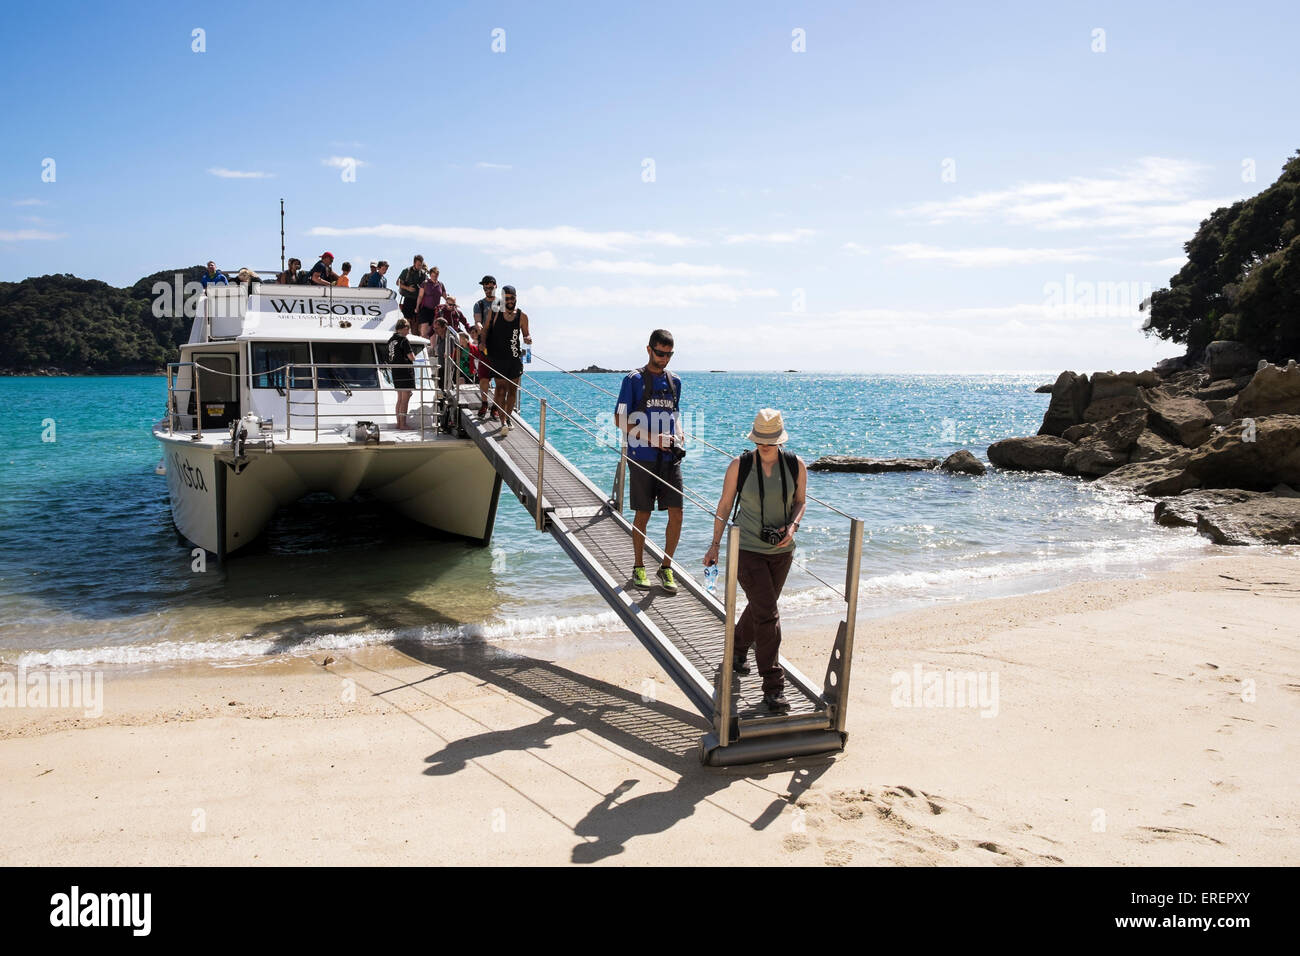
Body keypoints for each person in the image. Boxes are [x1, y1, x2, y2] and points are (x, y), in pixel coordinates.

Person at [703, 409, 808, 713]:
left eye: (770, 440)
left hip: (782, 553)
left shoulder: (795, 465)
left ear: (780, 439)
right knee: (768, 613)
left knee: (761, 608)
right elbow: (724, 504)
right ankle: (773, 686)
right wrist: (714, 545)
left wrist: (793, 526)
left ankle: (737, 649)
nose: (764, 445)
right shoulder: (740, 465)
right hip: (746, 549)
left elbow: (801, 500)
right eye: (760, 439)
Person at [615, 329, 683, 595]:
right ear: (649, 350)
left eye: (669, 354)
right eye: (659, 353)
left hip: (670, 458)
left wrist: (678, 432)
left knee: (677, 513)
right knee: (643, 514)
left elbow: (675, 412)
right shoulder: (632, 380)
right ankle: (639, 565)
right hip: (641, 458)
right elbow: (619, 420)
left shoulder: (675, 381)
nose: (664, 359)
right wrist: (654, 438)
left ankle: (666, 567)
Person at [481, 285, 531, 436]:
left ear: (516, 297)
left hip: (515, 358)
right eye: (506, 298)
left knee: (513, 391)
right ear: (502, 299)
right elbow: (485, 329)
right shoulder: (495, 311)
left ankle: (508, 418)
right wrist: (482, 342)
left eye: (512, 298)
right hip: (498, 357)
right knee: (501, 389)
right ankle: (502, 421)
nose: (509, 301)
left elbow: (526, 334)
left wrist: (528, 339)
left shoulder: (522, 316)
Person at [386, 318, 417, 430]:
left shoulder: (391, 340)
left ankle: (399, 423)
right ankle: (403, 424)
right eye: (408, 329)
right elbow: (411, 357)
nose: (408, 332)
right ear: (404, 328)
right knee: (405, 400)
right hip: (405, 372)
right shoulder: (403, 340)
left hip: (395, 372)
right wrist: (414, 356)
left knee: (399, 399)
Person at [415, 265, 453, 338]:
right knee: (424, 330)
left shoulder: (440, 285)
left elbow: (446, 297)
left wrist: (452, 304)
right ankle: (423, 347)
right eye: (433, 275)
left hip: (435, 310)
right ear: (430, 274)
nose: (435, 276)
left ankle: (432, 348)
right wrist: (417, 307)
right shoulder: (425, 283)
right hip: (425, 309)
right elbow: (420, 296)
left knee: (433, 331)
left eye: (436, 275)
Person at [397, 255, 427, 322]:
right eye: (418, 265)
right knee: (406, 321)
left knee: (416, 322)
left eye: (421, 265)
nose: (420, 267)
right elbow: (398, 283)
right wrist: (407, 288)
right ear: (414, 263)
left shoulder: (423, 274)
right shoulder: (406, 271)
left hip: (419, 301)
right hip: (408, 299)